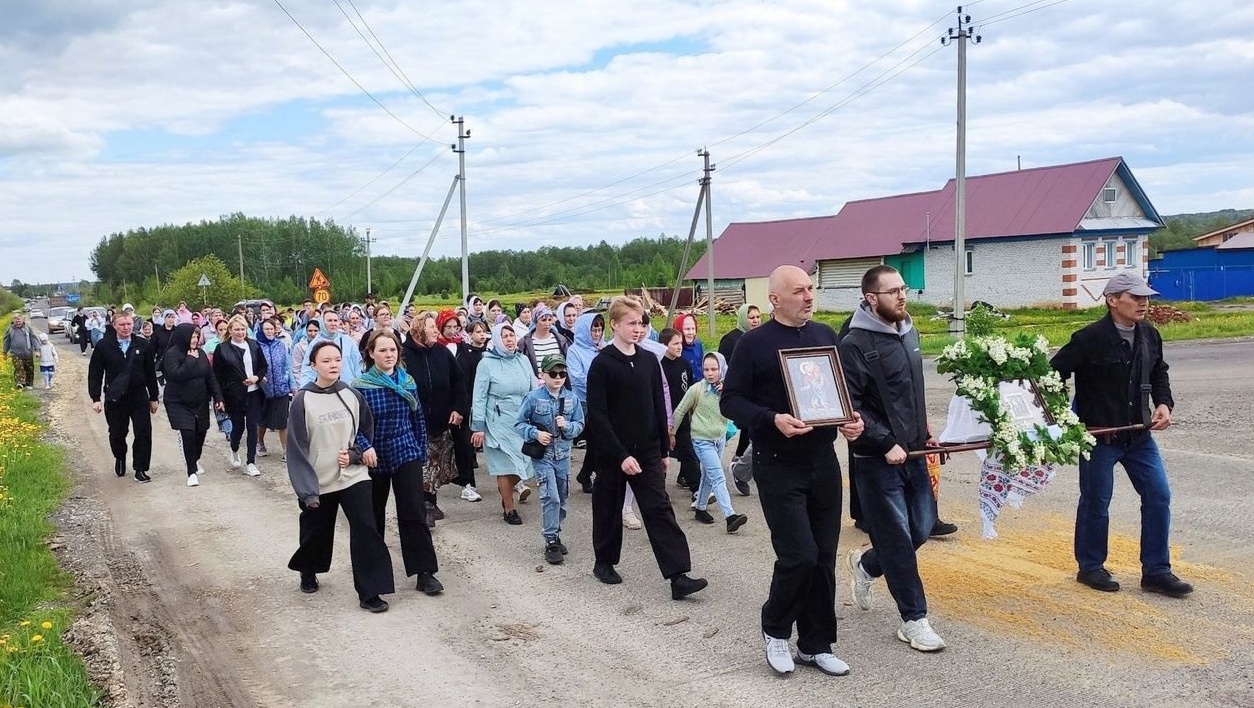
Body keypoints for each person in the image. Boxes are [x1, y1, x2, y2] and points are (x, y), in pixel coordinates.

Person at [720, 265, 863, 676]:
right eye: (799, 291)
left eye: (810, 289)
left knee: (824, 557)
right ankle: (776, 629)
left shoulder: (823, 336)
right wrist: (771, 418)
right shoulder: (753, 344)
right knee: (799, 555)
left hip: (822, 460)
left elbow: (838, 393)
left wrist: (851, 420)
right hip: (779, 463)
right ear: (775, 299)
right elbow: (731, 401)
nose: (808, 296)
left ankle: (816, 643)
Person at [1049, 271, 1193, 598]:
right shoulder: (1088, 338)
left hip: (1139, 437)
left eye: (1145, 297)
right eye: (1136, 297)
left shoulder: (1150, 336)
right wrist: (1063, 418)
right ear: (1113, 301)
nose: (1143, 303)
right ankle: (1090, 567)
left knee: (1158, 496)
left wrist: (1164, 405)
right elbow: (1053, 374)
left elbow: (1159, 374)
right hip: (1099, 437)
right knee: (1096, 501)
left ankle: (1157, 571)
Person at [839, 265, 945, 653]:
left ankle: (866, 565)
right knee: (898, 540)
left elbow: (910, 392)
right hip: (877, 459)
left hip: (914, 451)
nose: (902, 296)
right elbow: (851, 405)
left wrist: (925, 428)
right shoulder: (855, 344)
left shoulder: (909, 332)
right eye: (892, 292)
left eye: (903, 289)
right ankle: (914, 620)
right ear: (871, 298)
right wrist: (884, 442)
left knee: (922, 527)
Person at [585, 296, 707, 600]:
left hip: (649, 449)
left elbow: (658, 404)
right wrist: (620, 454)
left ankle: (678, 576)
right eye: (631, 323)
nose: (637, 329)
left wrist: (664, 450)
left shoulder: (648, 360)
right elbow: (597, 416)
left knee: (659, 509)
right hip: (613, 453)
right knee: (608, 508)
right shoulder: (602, 364)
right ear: (615, 324)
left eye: (640, 323)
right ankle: (604, 563)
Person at [286, 340, 395, 612]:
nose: (333, 365)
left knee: (366, 528)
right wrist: (306, 490)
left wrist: (357, 454)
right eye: (326, 361)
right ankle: (308, 569)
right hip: (319, 480)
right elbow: (297, 449)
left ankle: (370, 592)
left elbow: (365, 432)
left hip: (353, 475)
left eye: (336, 359)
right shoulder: (302, 400)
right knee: (316, 530)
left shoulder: (351, 394)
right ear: (313, 366)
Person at [355, 329, 445, 595]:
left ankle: (424, 572)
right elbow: (354, 426)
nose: (388, 355)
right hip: (374, 457)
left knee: (413, 511)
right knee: (374, 516)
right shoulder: (360, 387)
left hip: (405, 451)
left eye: (392, 350)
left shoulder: (408, 383)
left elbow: (417, 419)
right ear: (371, 354)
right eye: (382, 350)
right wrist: (364, 447)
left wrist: (419, 451)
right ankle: (375, 577)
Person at [400, 312, 470, 524]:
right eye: (432, 327)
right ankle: (424, 507)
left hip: (441, 420)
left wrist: (458, 409)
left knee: (435, 465)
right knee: (424, 464)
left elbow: (459, 381)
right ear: (419, 330)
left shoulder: (442, 352)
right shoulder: (403, 354)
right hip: (413, 422)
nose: (436, 331)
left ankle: (429, 502)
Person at [516, 354, 585, 565]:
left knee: (563, 497)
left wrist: (568, 426)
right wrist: (535, 434)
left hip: (563, 456)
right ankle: (550, 539)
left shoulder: (572, 398)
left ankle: (556, 531)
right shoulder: (533, 397)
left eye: (562, 373)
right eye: (553, 373)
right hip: (543, 457)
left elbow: (580, 425)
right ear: (543, 375)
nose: (558, 377)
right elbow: (519, 423)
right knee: (550, 497)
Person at [671, 352, 748, 533]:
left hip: (719, 438)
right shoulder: (697, 389)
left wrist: (726, 395)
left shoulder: (727, 390)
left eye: (714, 369)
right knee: (718, 476)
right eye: (706, 369)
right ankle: (730, 516)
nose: (710, 373)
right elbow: (679, 411)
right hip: (701, 439)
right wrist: (671, 434)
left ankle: (700, 508)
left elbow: (735, 409)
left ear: (722, 369)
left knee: (708, 475)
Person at [470, 322, 535, 524]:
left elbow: (533, 388)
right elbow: (479, 396)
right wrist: (478, 427)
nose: (509, 339)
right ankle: (509, 507)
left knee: (524, 463)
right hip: (498, 421)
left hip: (521, 420)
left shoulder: (523, 360)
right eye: (505, 336)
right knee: (505, 465)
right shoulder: (486, 363)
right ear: (497, 339)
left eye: (512, 335)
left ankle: (508, 492)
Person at [87, 312, 161, 483]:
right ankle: (120, 456)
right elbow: (95, 373)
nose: (126, 328)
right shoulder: (104, 346)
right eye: (122, 325)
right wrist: (95, 398)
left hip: (138, 396)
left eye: (129, 324)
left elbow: (150, 372)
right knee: (117, 433)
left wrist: (154, 397)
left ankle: (140, 468)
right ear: (114, 326)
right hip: (115, 398)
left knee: (143, 431)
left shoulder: (142, 344)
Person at [161, 323, 224, 487]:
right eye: (192, 336)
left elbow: (210, 377)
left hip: (200, 400)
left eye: (197, 336)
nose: (195, 339)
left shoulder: (201, 353)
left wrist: (218, 397)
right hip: (178, 402)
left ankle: (194, 460)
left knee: (200, 433)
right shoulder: (172, 354)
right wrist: (190, 359)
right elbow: (176, 375)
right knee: (188, 433)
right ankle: (191, 472)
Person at [212, 314, 268, 476]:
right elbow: (217, 375)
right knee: (238, 427)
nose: (240, 332)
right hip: (233, 394)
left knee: (252, 426)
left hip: (254, 393)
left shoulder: (254, 345)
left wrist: (256, 378)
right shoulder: (222, 349)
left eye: (243, 329)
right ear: (230, 330)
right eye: (237, 329)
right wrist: (219, 398)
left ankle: (251, 462)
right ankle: (234, 449)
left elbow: (263, 366)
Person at [719, 303, 762, 495]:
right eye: (751, 317)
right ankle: (740, 463)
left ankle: (741, 462)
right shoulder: (731, 339)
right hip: (743, 392)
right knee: (750, 430)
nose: (755, 320)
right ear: (744, 318)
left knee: (751, 432)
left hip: (759, 391)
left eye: (757, 317)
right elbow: (725, 365)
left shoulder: (762, 337)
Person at [658, 327, 702, 496]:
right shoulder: (659, 366)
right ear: (664, 346)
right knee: (662, 456)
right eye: (675, 343)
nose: (679, 346)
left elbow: (690, 388)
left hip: (682, 417)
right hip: (663, 417)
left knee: (689, 453)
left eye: (680, 343)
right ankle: (659, 491)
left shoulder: (684, 364)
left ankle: (697, 488)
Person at [256, 318, 294, 461]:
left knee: (282, 421)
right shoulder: (256, 346)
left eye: (272, 328)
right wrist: (259, 377)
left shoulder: (281, 345)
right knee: (263, 420)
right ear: (261, 330)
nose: (270, 331)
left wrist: (290, 382)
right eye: (266, 329)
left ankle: (286, 451)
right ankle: (260, 443)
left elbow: (287, 365)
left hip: (281, 388)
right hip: (263, 389)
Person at [301, 311, 362, 386]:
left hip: (347, 388)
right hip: (323, 390)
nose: (333, 323)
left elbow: (357, 364)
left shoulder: (347, 340)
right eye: (329, 320)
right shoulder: (315, 344)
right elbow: (308, 369)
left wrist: (358, 386)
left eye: (335, 320)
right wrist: (305, 389)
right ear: (322, 323)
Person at [517, 305, 569, 380]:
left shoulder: (561, 340)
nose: (547, 323)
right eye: (543, 320)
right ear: (536, 321)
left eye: (550, 319)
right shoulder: (524, 343)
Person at [3, 314, 40, 389]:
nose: (18, 321)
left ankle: (29, 384)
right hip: (15, 353)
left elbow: (34, 338)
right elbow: (6, 341)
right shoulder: (10, 329)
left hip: (27, 352)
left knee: (29, 369)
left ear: (23, 320)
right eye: (16, 320)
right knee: (19, 368)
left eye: (19, 319)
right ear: (13, 321)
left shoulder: (27, 328)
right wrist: (4, 352)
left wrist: (37, 350)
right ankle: (20, 383)